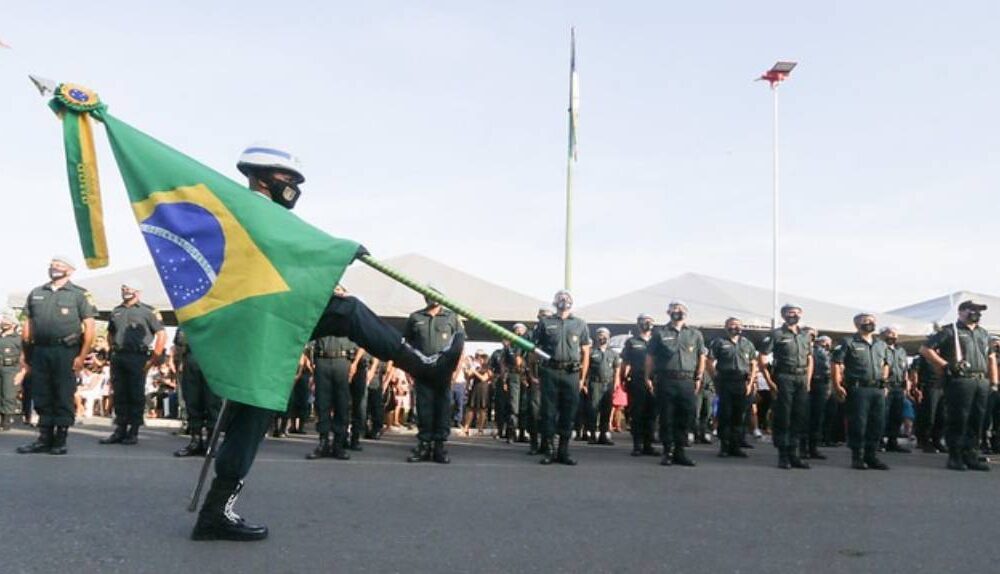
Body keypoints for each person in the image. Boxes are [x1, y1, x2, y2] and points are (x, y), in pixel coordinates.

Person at [189, 144, 465, 541]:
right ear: (261, 176)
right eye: (288, 179)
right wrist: (339, 252)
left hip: (262, 324)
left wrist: (319, 283)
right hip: (254, 320)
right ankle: (426, 368)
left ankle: (215, 512)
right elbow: (286, 249)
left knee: (252, 413)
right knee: (347, 311)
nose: (294, 187)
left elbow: (282, 261)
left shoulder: (263, 216)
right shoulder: (251, 208)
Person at [17, 256, 97, 456]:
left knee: (62, 393)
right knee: (41, 393)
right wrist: (24, 353)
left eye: (60, 266)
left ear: (70, 271)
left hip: (65, 351)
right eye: (52, 265)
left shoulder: (79, 294)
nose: (54, 268)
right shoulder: (36, 293)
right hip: (40, 350)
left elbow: (89, 328)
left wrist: (81, 356)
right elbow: (28, 324)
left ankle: (60, 439)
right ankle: (44, 437)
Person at [919, 300, 997, 471]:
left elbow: (991, 358)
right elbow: (926, 349)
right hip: (961, 380)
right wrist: (945, 365)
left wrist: (994, 382)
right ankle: (955, 456)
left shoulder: (983, 333)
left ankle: (971, 455)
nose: (977, 313)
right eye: (973, 310)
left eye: (979, 311)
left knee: (976, 420)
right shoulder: (950, 330)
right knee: (959, 419)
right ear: (961, 312)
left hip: (981, 380)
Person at [101, 280, 166, 445]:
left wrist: (154, 359)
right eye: (123, 288)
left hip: (138, 357)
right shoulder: (116, 311)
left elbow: (161, 334)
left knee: (135, 394)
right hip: (119, 356)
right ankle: (120, 429)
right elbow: (110, 333)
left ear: (138, 291)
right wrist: (111, 349)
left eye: (129, 288)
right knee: (119, 393)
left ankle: (134, 431)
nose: (125, 291)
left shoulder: (148, 311)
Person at [403, 289, 465, 464]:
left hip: (443, 371)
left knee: (443, 408)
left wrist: (456, 371)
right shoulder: (415, 317)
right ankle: (424, 444)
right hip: (421, 370)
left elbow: (460, 346)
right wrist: (408, 370)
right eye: (429, 295)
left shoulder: (452, 317)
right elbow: (406, 345)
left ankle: (439, 446)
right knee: (424, 408)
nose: (432, 298)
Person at [645, 301, 705, 467]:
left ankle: (680, 452)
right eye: (674, 309)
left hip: (686, 380)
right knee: (667, 417)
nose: (677, 312)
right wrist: (648, 377)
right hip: (666, 380)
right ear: (668, 312)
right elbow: (650, 356)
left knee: (685, 416)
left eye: (680, 309)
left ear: (686, 313)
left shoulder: (695, 334)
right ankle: (668, 452)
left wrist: (699, 377)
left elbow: (702, 356)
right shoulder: (659, 333)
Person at [534, 290, 591, 465]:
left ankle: (563, 451)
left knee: (569, 411)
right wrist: (537, 371)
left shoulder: (580, 324)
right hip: (550, 372)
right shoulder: (545, 322)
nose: (563, 300)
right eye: (560, 297)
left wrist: (582, 378)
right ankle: (549, 450)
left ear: (572, 302)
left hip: (571, 373)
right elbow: (535, 349)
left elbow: (585, 352)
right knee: (548, 411)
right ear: (554, 301)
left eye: (567, 298)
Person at [831, 313, 891, 470]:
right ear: (856, 324)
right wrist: (837, 385)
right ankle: (857, 456)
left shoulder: (880, 344)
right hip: (858, 388)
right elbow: (837, 363)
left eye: (872, 321)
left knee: (877, 423)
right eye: (865, 321)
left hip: (877, 388)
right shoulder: (849, 342)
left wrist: (884, 382)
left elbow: (886, 364)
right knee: (858, 423)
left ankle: (871, 456)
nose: (869, 324)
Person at [759, 303, 813, 470]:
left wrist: (808, 380)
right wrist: (770, 382)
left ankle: (795, 454)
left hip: (801, 377)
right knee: (783, 416)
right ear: (783, 315)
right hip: (784, 377)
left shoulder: (805, 335)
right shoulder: (776, 334)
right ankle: (783, 455)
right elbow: (762, 358)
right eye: (789, 312)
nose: (793, 315)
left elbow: (810, 358)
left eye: (796, 312)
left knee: (799, 416)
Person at [706, 317, 758, 458]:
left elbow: (753, 364)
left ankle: (736, 446)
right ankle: (724, 446)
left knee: (739, 416)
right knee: (725, 414)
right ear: (726, 327)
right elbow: (709, 361)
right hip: (725, 381)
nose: (735, 327)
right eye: (732, 325)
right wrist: (715, 377)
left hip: (742, 382)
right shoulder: (719, 342)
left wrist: (751, 382)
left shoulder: (747, 344)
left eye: (738, 325)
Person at [308, 329, 362, 460]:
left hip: (342, 360)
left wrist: (354, 364)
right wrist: (311, 362)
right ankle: (323, 442)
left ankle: (339, 443)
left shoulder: (349, 314)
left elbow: (361, 342)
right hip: (322, 360)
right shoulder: (322, 314)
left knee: (342, 403)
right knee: (322, 403)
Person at [173, 328, 222, 457]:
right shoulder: (191, 312)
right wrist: (178, 361)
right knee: (192, 401)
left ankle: (211, 443)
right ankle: (195, 441)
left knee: (213, 403)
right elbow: (179, 341)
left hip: (214, 360)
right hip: (192, 359)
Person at [621, 313, 658, 457]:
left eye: (650, 321)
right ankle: (637, 445)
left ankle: (648, 445)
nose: (647, 324)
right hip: (637, 380)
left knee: (652, 414)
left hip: (654, 381)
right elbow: (625, 362)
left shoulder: (657, 341)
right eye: (644, 321)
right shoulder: (632, 342)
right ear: (638, 324)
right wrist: (624, 379)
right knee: (637, 413)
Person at [585, 327, 620, 446]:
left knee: (606, 410)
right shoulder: (591, 352)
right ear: (596, 337)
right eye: (600, 334)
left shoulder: (613, 353)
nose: (602, 337)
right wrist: (584, 383)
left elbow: (617, 369)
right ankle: (592, 435)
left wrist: (616, 383)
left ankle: (603, 435)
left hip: (608, 383)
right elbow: (585, 368)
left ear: (609, 337)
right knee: (593, 409)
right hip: (595, 383)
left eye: (605, 335)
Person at [881, 326, 911, 453]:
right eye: (890, 333)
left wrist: (906, 383)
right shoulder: (880, 348)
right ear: (883, 334)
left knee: (897, 414)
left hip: (899, 386)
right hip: (887, 385)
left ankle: (893, 441)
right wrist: (884, 384)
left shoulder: (901, 350)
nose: (893, 336)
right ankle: (879, 440)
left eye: (895, 334)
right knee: (883, 414)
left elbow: (904, 368)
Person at [807, 334, 833, 460]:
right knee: (806, 417)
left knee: (818, 417)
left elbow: (829, 372)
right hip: (810, 383)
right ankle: (803, 448)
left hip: (822, 384)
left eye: (828, 343)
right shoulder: (811, 351)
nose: (826, 344)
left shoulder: (828, 354)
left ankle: (813, 448)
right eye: (823, 342)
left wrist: (829, 387)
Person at [0, 313, 24, 431]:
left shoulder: (18, 339)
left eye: (7, 320)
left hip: (11, 368)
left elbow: (24, 356)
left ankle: (6, 420)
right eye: (3, 319)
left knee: (8, 394)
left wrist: (22, 372)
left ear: (13, 324)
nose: (4, 322)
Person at [462, 351, 491, 436]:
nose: (479, 359)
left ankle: (480, 429)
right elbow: (468, 376)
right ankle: (466, 427)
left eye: (481, 358)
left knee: (482, 409)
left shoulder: (488, 369)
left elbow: (484, 378)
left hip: (483, 389)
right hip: (475, 389)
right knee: (470, 408)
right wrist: (466, 370)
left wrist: (474, 372)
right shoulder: (477, 368)